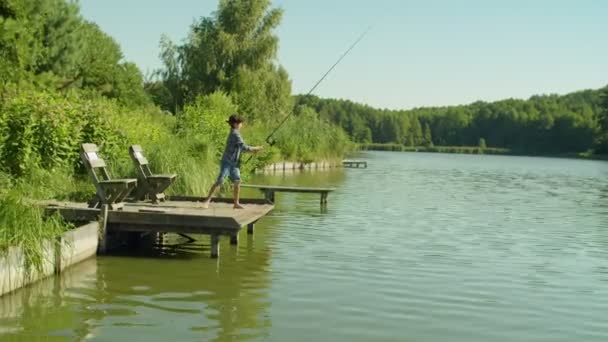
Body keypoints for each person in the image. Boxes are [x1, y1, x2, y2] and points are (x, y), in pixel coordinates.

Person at [202, 114, 263, 209]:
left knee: (237, 181)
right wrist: (256, 148)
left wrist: (252, 151)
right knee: (220, 181)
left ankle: (236, 203)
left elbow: (241, 149)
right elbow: (244, 147)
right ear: (235, 124)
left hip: (234, 164)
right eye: (240, 123)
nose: (242, 124)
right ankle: (207, 200)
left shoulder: (235, 133)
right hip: (227, 162)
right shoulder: (235, 134)